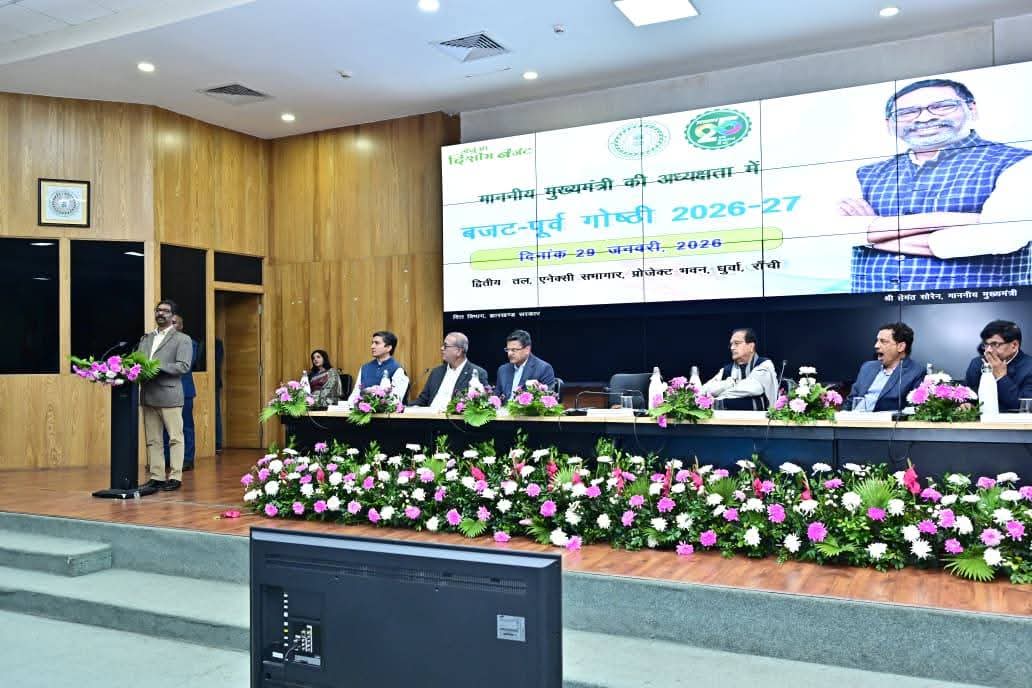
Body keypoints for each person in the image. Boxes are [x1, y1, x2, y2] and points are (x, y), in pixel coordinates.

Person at [841, 78, 1032, 292]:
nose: (924, 117)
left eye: (942, 106)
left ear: (972, 109)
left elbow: (1004, 237)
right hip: (867, 308)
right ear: (889, 124)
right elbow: (836, 233)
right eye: (907, 112)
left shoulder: (1020, 161)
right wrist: (961, 221)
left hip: (980, 307)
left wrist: (871, 234)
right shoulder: (865, 173)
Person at [137, 300, 193, 491]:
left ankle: (175, 477)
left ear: (173, 316)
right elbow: (139, 362)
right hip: (148, 395)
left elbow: (183, 366)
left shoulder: (182, 339)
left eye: (166, 311)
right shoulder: (146, 339)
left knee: (175, 438)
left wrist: (158, 367)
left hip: (169, 395)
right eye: (158, 310)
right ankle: (157, 476)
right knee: (153, 440)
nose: (160, 314)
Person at [849, 322, 924, 412]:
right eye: (877, 341)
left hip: (883, 420)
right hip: (853, 418)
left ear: (900, 347)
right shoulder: (867, 367)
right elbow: (850, 401)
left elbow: (914, 409)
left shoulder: (916, 372)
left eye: (883, 341)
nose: (876, 346)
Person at [701, 328, 778, 411]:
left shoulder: (764, 364)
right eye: (731, 344)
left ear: (751, 346)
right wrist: (727, 384)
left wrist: (721, 396)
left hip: (762, 418)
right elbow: (705, 390)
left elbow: (753, 388)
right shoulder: (727, 369)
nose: (732, 348)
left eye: (737, 343)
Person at [964, 320, 1032, 411]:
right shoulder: (977, 363)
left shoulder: (1029, 367)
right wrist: (965, 404)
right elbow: (967, 395)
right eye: (986, 344)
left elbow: (1026, 407)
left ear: (1014, 345)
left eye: (995, 344)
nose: (988, 350)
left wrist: (1001, 377)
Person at [411, 332, 489, 411]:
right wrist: (406, 407)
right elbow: (423, 400)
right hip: (429, 416)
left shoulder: (477, 373)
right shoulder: (436, 372)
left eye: (445, 346)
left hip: (453, 418)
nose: (442, 348)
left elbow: (480, 405)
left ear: (458, 351)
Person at [163, 314, 198, 471]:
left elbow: (185, 365)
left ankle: (187, 459)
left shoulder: (190, 343)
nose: (171, 324)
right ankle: (167, 459)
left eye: (174, 322)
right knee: (165, 427)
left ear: (181, 326)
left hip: (184, 391)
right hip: (164, 391)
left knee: (185, 426)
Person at [346, 330, 410, 404]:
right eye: (372, 343)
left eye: (377, 343)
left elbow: (395, 400)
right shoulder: (365, 368)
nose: (372, 346)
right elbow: (355, 394)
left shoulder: (398, 369)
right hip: (361, 409)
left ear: (388, 348)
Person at [495, 329, 555, 400]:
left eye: (514, 350)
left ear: (527, 349)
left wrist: (536, 388)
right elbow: (497, 397)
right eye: (508, 349)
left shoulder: (544, 369)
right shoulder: (502, 370)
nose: (509, 353)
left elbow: (548, 400)